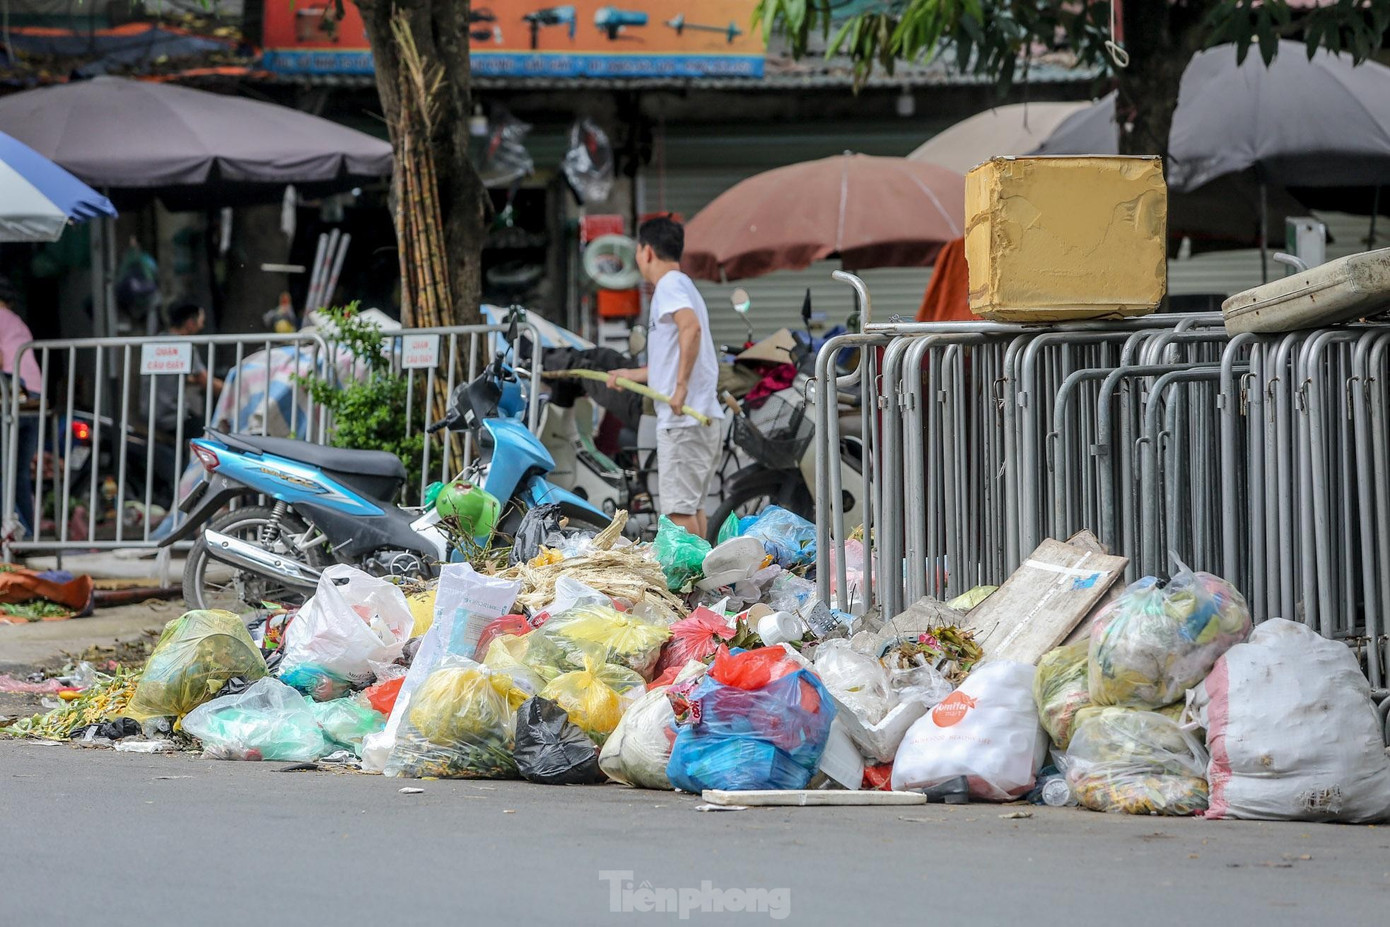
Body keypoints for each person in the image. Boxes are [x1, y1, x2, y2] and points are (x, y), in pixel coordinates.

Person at [607, 217, 723, 538]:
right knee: (691, 508)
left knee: (678, 512)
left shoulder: (670, 285)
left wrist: (681, 388)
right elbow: (675, 353)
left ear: (646, 252)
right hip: (697, 418)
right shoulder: (682, 285)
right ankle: (701, 586)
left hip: (684, 420)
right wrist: (631, 374)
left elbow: (691, 328)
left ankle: (690, 587)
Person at [144, 302, 224, 438]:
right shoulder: (184, 346)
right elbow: (204, 380)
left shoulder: (156, 342)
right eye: (200, 322)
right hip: (172, 416)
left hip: (148, 412)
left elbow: (170, 375)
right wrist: (232, 391)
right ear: (190, 323)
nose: (202, 326)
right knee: (211, 433)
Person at [0, 276, 41, 537]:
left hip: (12, 394)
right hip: (34, 397)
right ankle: (30, 535)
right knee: (19, 474)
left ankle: (19, 533)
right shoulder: (16, 321)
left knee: (4, 472)